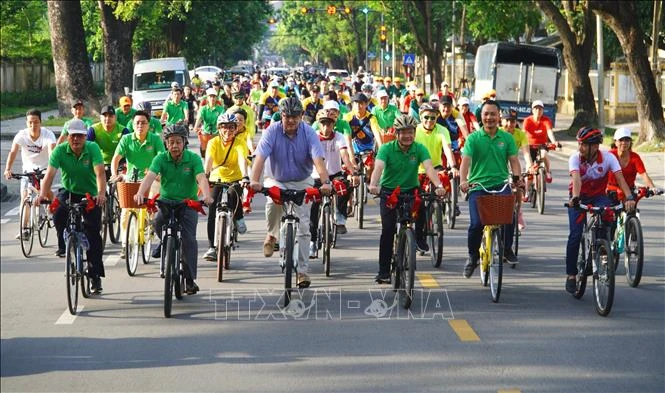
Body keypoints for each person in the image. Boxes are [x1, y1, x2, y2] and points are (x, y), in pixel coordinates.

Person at [249, 97, 332, 288]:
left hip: (302, 181)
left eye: (295, 116)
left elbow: (318, 161)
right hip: (276, 179)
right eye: (287, 117)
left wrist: (326, 182)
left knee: (303, 227)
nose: (291, 121)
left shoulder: (309, 132)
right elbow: (260, 158)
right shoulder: (272, 130)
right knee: (272, 203)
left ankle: (302, 271)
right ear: (281, 116)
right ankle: (272, 234)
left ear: (302, 116)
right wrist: (255, 181)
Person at [133, 124, 213, 295]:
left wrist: (206, 195)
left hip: (188, 204)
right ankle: (164, 242)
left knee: (189, 240)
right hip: (166, 202)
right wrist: (140, 193)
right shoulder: (161, 158)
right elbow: (150, 177)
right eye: (171, 142)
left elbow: (201, 178)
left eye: (178, 142)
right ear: (166, 144)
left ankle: (190, 280)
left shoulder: (193, 159)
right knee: (157, 221)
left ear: (184, 142)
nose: (174, 146)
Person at [368, 115, 447, 283]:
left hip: (411, 191)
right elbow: (379, 167)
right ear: (397, 134)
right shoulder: (386, 149)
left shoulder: (419, 148)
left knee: (421, 211)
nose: (407, 136)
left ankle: (417, 239)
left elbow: (428, 168)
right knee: (388, 230)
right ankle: (383, 271)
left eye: (410, 132)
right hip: (390, 192)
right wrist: (373, 184)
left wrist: (439, 185)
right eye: (403, 132)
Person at [37, 119, 107, 292]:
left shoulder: (92, 148)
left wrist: (101, 194)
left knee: (93, 235)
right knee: (58, 214)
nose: (76, 139)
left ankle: (95, 275)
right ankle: (64, 243)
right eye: (72, 135)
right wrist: (41, 195)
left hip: (90, 194)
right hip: (68, 191)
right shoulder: (60, 150)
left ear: (85, 137)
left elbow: (99, 173)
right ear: (67, 136)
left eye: (80, 136)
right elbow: (49, 176)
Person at [564, 127, 635, 294]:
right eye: (580, 144)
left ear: (595, 146)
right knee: (575, 234)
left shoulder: (608, 158)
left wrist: (629, 197)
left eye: (583, 144)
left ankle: (602, 250)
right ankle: (571, 275)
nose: (580, 147)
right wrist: (575, 198)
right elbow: (576, 180)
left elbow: (620, 178)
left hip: (598, 196)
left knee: (609, 216)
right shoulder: (575, 157)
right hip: (579, 196)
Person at [459, 100, 522, 278]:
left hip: (500, 184)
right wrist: (464, 181)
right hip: (478, 186)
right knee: (476, 224)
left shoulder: (507, 138)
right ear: (481, 116)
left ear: (498, 116)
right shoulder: (473, 138)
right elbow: (465, 162)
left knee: (509, 217)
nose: (489, 118)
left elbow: (514, 161)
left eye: (493, 114)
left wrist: (517, 179)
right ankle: (472, 257)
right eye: (486, 114)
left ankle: (507, 248)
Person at [110, 110, 165, 259]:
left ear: (149, 125)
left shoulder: (154, 139)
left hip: (151, 179)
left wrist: (158, 173)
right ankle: (125, 245)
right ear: (133, 125)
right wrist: (115, 174)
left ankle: (151, 228)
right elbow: (116, 158)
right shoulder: (126, 139)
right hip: (131, 178)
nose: (140, 125)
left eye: (143, 123)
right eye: (137, 123)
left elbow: (162, 157)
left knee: (153, 208)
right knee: (126, 211)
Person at [308, 109, 357, 258]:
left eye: (328, 124)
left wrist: (353, 173)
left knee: (347, 185)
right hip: (317, 177)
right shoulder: (313, 137)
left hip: (335, 174)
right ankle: (313, 241)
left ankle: (340, 214)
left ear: (333, 124)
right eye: (323, 124)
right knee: (314, 208)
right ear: (319, 124)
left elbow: (345, 156)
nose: (325, 128)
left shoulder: (339, 137)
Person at [202, 113, 249, 261]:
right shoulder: (213, 142)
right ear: (219, 128)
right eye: (224, 127)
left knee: (233, 193)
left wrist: (245, 176)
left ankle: (238, 217)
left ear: (236, 129)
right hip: (216, 178)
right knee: (212, 205)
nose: (227, 130)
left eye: (230, 127)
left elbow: (242, 160)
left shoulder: (240, 142)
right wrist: (205, 175)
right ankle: (211, 247)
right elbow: (208, 160)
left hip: (235, 178)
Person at [4, 109, 57, 240]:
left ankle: (55, 207)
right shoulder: (21, 135)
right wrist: (7, 169)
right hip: (28, 171)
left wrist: (52, 168)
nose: (33, 125)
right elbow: (13, 152)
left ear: (41, 122)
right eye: (30, 123)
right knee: (25, 197)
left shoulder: (47, 134)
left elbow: (52, 151)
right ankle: (24, 229)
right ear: (26, 123)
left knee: (45, 192)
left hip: (45, 169)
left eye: (36, 122)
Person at [414, 103, 456, 250]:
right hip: (416, 170)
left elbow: (447, 149)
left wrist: (453, 166)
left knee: (441, 189)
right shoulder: (415, 130)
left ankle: (438, 211)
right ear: (421, 117)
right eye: (426, 117)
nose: (430, 120)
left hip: (435, 169)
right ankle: (419, 237)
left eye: (433, 117)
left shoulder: (442, 130)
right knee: (419, 205)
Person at [501, 109, 532, 230]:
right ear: (501, 120)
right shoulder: (498, 132)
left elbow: (526, 153)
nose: (510, 124)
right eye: (507, 120)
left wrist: (530, 165)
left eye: (512, 121)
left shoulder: (520, 134)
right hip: (499, 164)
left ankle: (518, 213)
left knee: (518, 187)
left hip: (513, 164)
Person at [606, 127, 656, 199]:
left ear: (630, 142)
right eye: (621, 140)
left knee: (631, 208)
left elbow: (644, 174)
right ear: (615, 142)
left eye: (627, 140)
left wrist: (652, 187)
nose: (624, 143)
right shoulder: (610, 155)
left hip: (629, 190)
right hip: (611, 190)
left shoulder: (635, 157)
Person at [343, 93, 381, 177]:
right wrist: (352, 159)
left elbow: (377, 135)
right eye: (355, 103)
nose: (358, 106)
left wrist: (382, 150)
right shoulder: (347, 117)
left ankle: (367, 182)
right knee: (348, 171)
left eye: (361, 103)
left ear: (366, 104)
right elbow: (347, 140)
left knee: (370, 166)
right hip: (351, 148)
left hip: (367, 149)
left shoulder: (371, 118)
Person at [522, 100, 558, 185]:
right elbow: (523, 133)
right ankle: (527, 192)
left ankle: (548, 171)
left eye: (540, 109)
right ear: (532, 110)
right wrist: (521, 142)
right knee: (529, 169)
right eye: (536, 109)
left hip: (542, 146)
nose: (538, 111)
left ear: (543, 110)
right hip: (530, 146)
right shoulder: (527, 120)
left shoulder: (546, 120)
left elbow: (549, 132)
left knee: (544, 154)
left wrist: (554, 142)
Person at [87, 105, 130, 172]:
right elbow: (87, 147)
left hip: (120, 164)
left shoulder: (123, 130)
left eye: (110, 116)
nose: (107, 118)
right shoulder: (93, 129)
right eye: (105, 116)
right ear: (100, 117)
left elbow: (129, 150)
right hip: (100, 163)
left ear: (115, 117)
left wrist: (127, 165)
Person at [194, 87, 225, 158]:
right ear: (207, 98)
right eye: (210, 96)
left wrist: (219, 126)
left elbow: (221, 119)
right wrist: (196, 127)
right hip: (206, 131)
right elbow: (199, 118)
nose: (212, 98)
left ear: (216, 98)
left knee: (217, 150)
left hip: (217, 132)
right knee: (204, 150)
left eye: (214, 96)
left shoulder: (220, 109)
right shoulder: (203, 109)